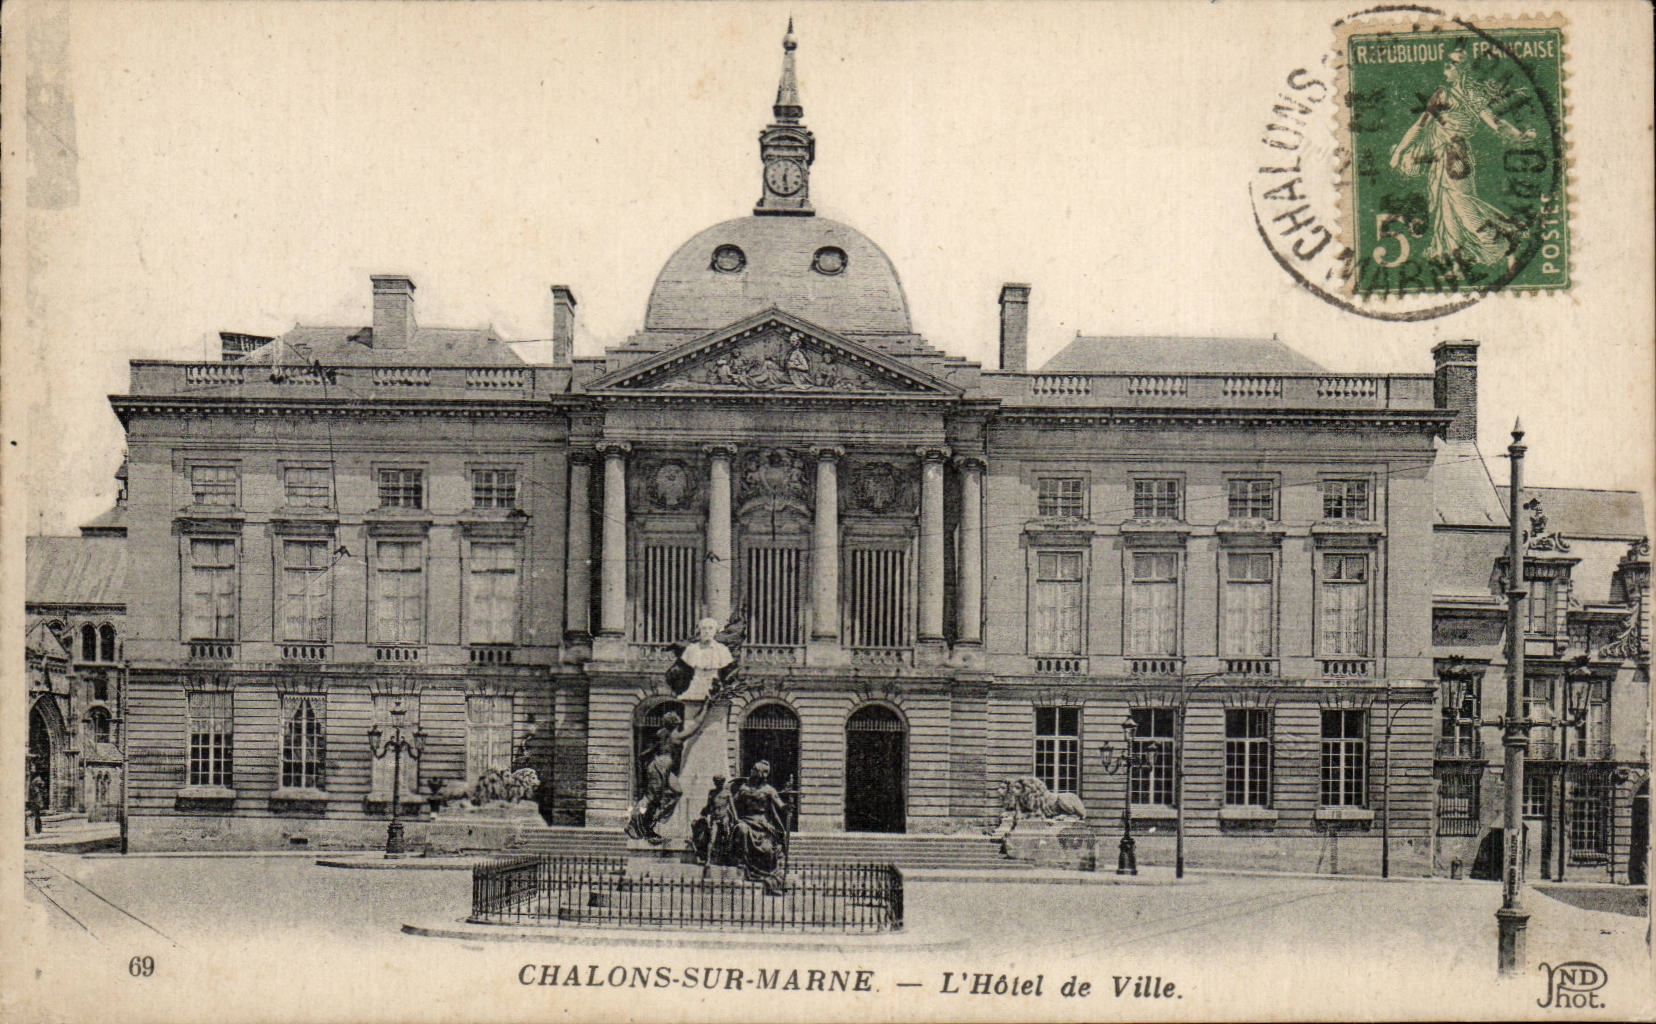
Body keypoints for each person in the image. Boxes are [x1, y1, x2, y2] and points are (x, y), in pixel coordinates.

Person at [1388, 49, 1536, 269]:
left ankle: (1500, 239)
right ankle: (1453, 254)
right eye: (1446, 64)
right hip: (1441, 157)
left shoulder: (1472, 96)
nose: (1446, 70)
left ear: (1462, 69)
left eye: (1451, 65)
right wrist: (1400, 151)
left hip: (1456, 156)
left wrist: (1519, 135)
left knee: (1463, 204)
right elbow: (1420, 125)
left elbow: (1495, 122)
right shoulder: (1442, 94)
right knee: (1448, 206)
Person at [625, 709, 707, 842]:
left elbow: (646, 752)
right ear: (674, 723)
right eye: (677, 720)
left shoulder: (661, 733)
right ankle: (634, 823)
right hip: (660, 767)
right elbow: (696, 725)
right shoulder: (675, 737)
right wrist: (707, 706)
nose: (679, 721)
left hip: (663, 767)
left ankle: (655, 818)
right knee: (651, 798)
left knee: (677, 792)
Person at [731, 760, 790, 893]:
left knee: (768, 849)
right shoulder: (744, 788)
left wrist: (787, 807)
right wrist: (735, 818)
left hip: (762, 824)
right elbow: (732, 803)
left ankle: (769, 876)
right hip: (746, 821)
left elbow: (780, 804)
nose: (752, 772)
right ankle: (741, 866)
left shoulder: (769, 790)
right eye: (753, 769)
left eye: (754, 770)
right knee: (742, 830)